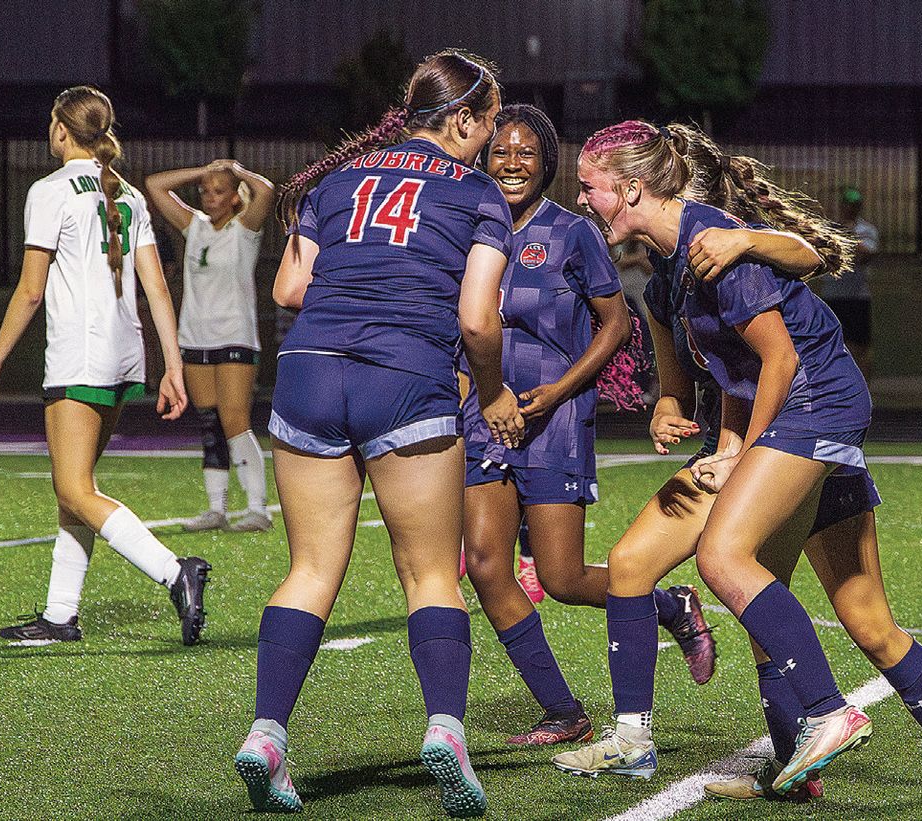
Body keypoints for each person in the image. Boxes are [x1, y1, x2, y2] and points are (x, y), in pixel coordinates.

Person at [554, 121, 922, 801]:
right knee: (747, 591)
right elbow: (733, 371)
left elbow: (781, 355)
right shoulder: (669, 268)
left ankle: (856, 721)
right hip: (779, 420)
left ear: (636, 186)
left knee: (749, 570)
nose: (580, 200)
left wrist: (739, 452)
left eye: (588, 186)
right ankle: (780, 766)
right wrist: (699, 426)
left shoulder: (716, 242)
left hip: (813, 407)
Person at [232, 51, 523, 818]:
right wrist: (490, 391)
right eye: (490, 121)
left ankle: (267, 735)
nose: (493, 138)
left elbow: (290, 288)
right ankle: (445, 729)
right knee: (432, 573)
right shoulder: (479, 193)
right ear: (461, 118)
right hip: (405, 375)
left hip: (309, 370)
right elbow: (476, 318)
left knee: (309, 569)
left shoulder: (338, 179)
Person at [460, 104, 717, 749]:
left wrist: (557, 393)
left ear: (544, 164)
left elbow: (618, 324)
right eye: (501, 152)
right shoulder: (464, 227)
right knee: (489, 566)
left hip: (554, 421)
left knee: (563, 580)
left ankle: (669, 605)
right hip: (484, 418)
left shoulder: (572, 234)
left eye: (526, 154)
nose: (512, 164)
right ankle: (563, 710)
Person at [0, 86, 210, 646]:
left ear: (61, 128)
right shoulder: (127, 192)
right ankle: (60, 614)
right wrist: (170, 365)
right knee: (75, 489)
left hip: (80, 354)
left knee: (75, 489)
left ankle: (176, 572)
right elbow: (156, 286)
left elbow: (30, 292)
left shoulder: (50, 190)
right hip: (123, 353)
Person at [145, 159, 276, 532]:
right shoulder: (195, 228)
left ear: (235, 198)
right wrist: (202, 170)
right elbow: (155, 184)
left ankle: (257, 509)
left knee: (235, 420)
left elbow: (266, 190)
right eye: (205, 191)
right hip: (195, 336)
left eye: (220, 191)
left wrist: (235, 168)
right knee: (209, 424)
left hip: (234, 335)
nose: (209, 197)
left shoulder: (243, 229)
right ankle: (216, 509)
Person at [819, 187, 877, 379]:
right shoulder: (829, 229)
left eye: (854, 206)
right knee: (831, 344)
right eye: (847, 205)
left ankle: (865, 387)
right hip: (833, 294)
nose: (849, 209)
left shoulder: (867, 231)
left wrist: (849, 234)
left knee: (861, 346)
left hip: (857, 295)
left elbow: (867, 255)